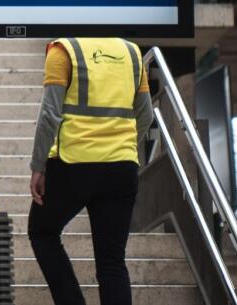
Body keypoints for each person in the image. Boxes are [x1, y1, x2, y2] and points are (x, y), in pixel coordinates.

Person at [27, 38, 153, 305]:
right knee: (112, 262)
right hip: (121, 168)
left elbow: (50, 114)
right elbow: (146, 114)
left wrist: (38, 165)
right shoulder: (132, 53)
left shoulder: (62, 52)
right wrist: (123, 146)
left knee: (42, 232)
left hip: (74, 164)